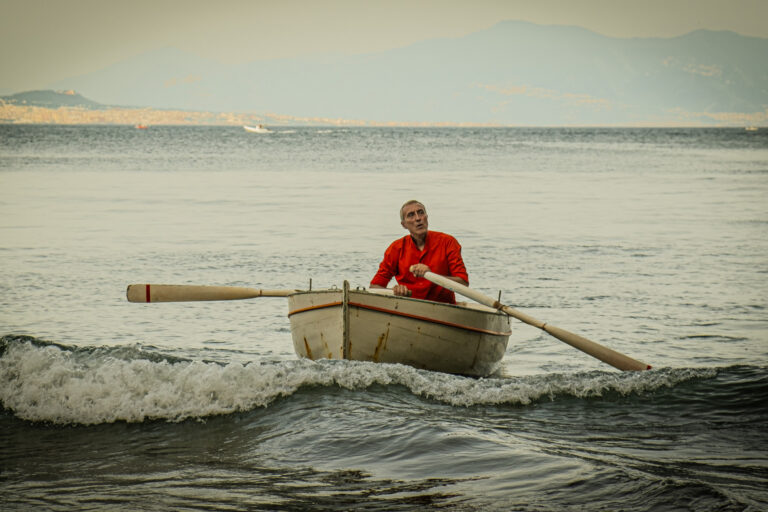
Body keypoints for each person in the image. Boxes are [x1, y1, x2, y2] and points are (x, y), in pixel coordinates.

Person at [370, 200, 468, 304]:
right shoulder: (396, 248)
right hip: (409, 308)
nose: (418, 218)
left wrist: (432, 275)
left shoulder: (447, 242)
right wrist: (396, 292)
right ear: (404, 225)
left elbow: (463, 282)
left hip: (443, 308)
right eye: (411, 215)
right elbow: (374, 287)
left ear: (427, 217)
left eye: (421, 213)